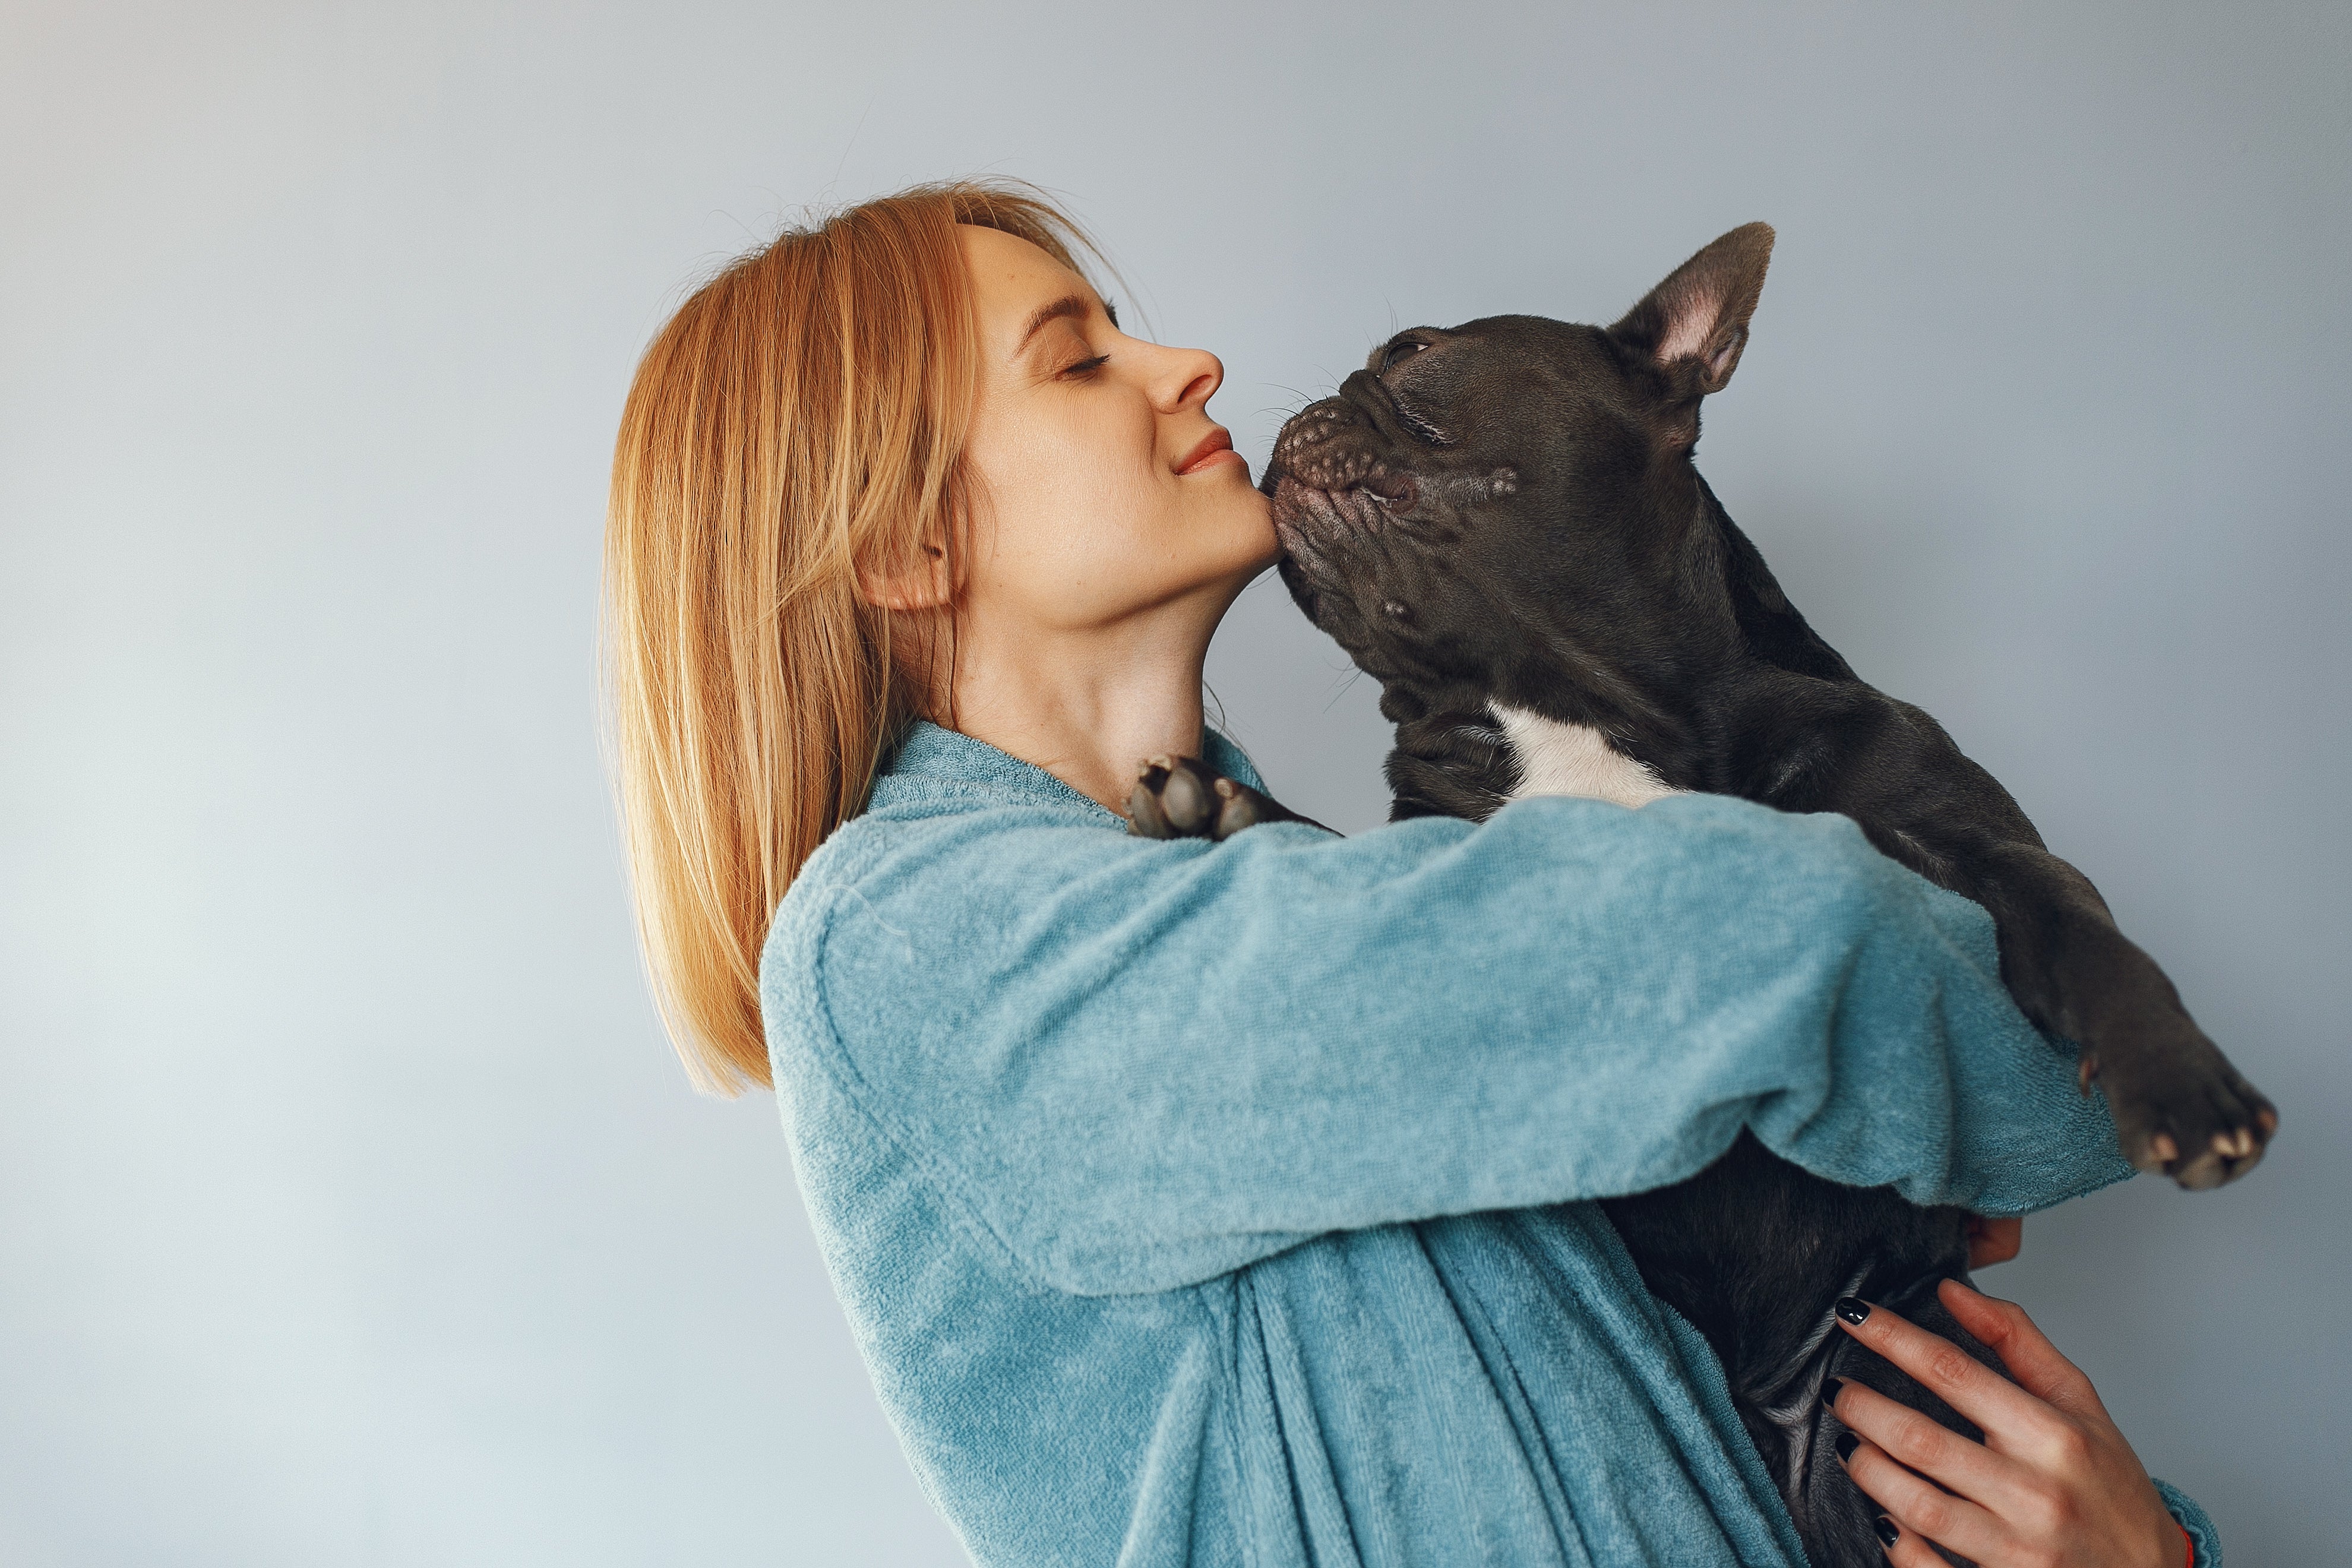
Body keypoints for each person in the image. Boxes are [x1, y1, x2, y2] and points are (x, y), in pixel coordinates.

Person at [602, 180, 2216, 1568]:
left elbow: (2040, 1123)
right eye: (1080, 360)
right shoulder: (906, 946)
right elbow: (1813, 974)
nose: (1191, 367)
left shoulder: (1320, 906)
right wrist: (1894, 996)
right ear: (903, 546)